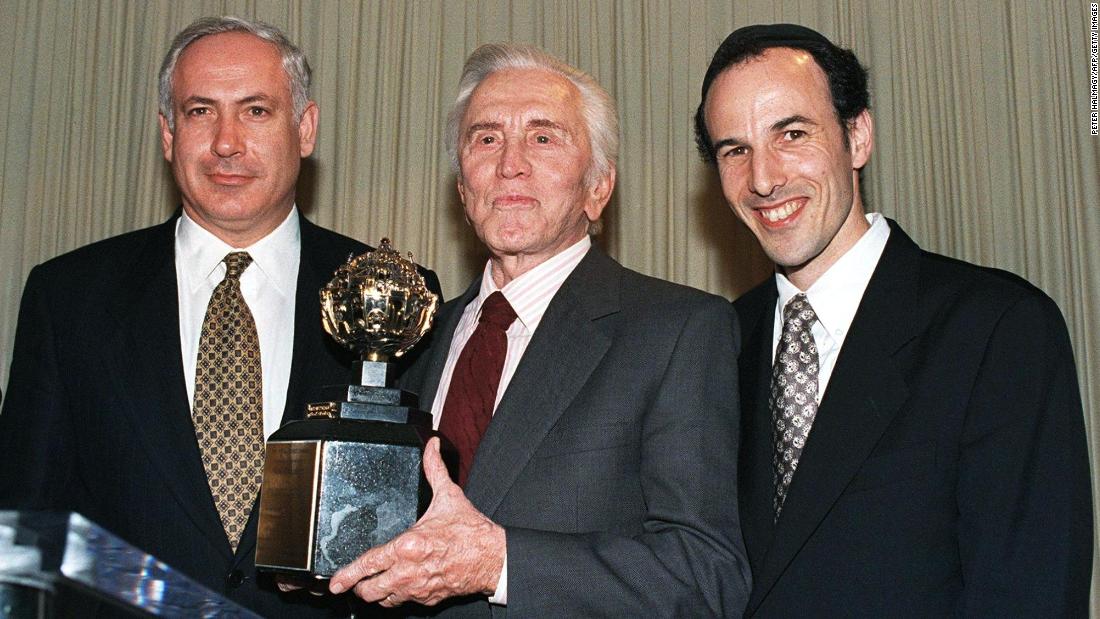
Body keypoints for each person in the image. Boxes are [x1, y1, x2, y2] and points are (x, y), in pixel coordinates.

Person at [0, 16, 439, 618]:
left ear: (305, 128)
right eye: (200, 111)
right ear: (167, 133)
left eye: (256, 111)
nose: (226, 142)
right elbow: (23, 528)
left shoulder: (390, 297)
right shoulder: (69, 296)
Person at [327, 43, 751, 616]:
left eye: (544, 137)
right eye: (486, 138)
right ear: (461, 189)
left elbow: (707, 577)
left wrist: (499, 564)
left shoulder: (678, 333)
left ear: (598, 188)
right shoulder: (414, 337)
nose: (510, 163)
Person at [695, 23, 1092, 616]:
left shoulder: (997, 328)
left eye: (792, 134)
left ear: (857, 137)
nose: (763, 178)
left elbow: (1030, 592)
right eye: (736, 150)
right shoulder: (711, 345)